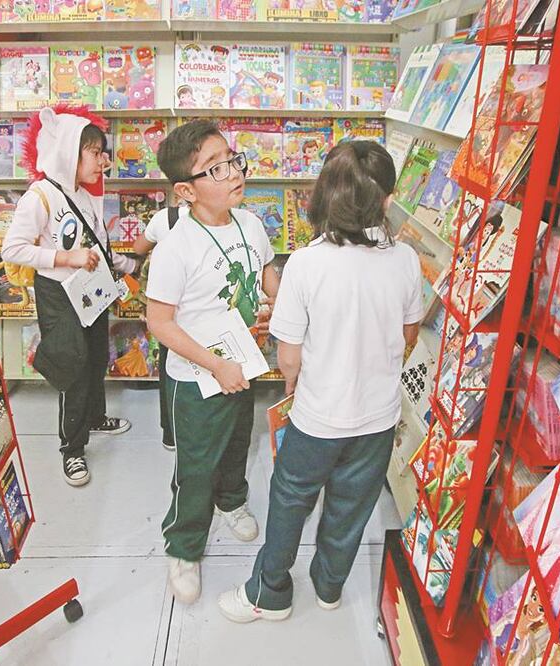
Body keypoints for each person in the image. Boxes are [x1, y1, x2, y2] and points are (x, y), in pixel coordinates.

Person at [216, 141, 423, 622]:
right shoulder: (406, 260)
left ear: (324, 196)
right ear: (387, 200)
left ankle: (270, 592)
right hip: (377, 418)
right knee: (353, 504)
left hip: (317, 416)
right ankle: (330, 586)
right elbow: (408, 334)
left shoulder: (306, 264)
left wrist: (293, 390)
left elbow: (289, 355)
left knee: (290, 498)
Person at [145, 120, 279, 604]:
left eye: (232, 160)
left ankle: (233, 501)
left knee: (237, 443)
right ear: (186, 190)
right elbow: (159, 323)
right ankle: (183, 546)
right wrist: (215, 365)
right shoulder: (176, 248)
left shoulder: (251, 222)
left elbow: (264, 272)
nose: (232, 173)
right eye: (214, 168)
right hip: (197, 377)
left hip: (242, 363)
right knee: (195, 464)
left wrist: (281, 302)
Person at [2, 105, 134, 487]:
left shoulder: (85, 193)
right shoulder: (40, 196)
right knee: (73, 365)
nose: (102, 161)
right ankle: (72, 449)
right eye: (94, 152)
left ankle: (94, 417)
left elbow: (97, 244)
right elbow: (13, 249)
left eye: (101, 152)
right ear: (67, 151)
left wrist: (125, 265)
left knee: (95, 357)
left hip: (89, 291)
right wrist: (64, 257)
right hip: (58, 293)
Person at [132, 205, 188, 452]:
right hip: (206, 309)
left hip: (169, 306)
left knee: (170, 366)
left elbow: (137, 248)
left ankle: (171, 433)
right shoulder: (227, 217)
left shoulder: (165, 217)